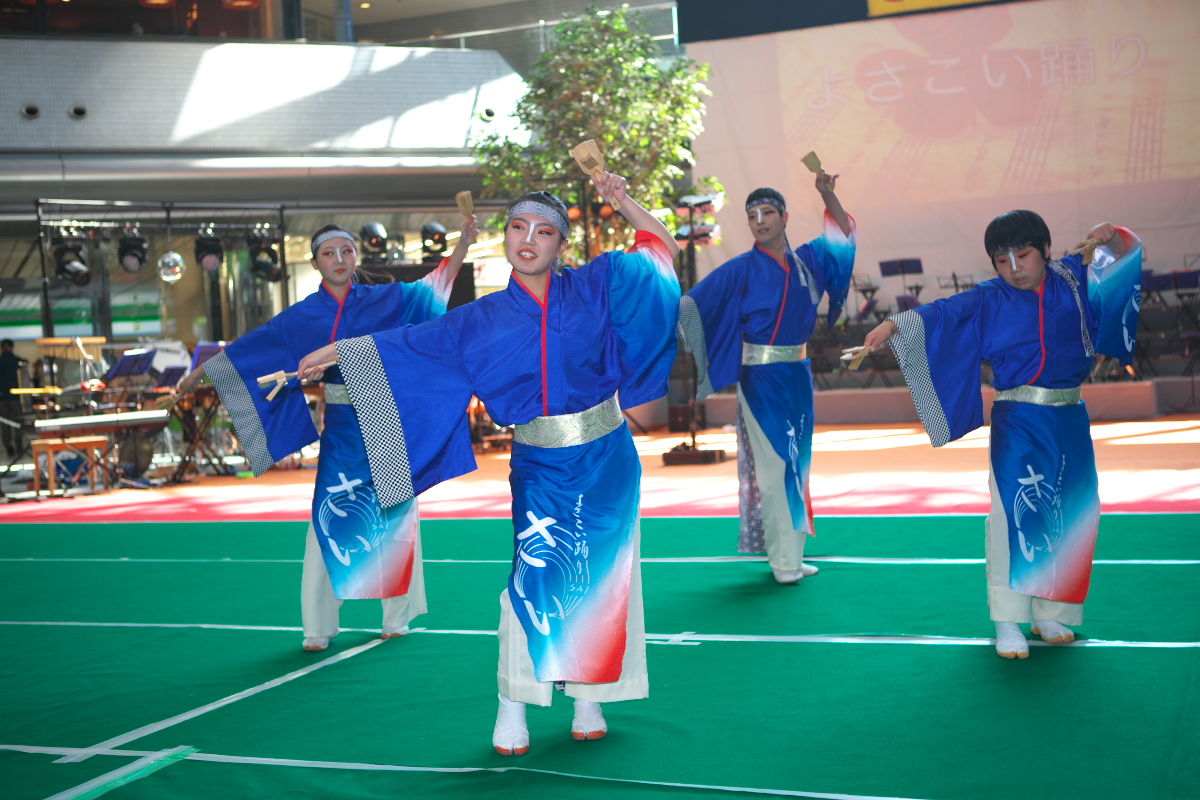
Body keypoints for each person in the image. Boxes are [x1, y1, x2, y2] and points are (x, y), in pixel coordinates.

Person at [296, 172, 680, 755]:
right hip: (540, 466)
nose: (528, 239)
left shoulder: (598, 284)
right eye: (518, 227)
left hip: (608, 458)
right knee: (532, 577)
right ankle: (513, 702)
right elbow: (411, 346)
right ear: (505, 237)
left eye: (544, 231)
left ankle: (589, 698)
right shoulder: (480, 318)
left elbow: (660, 252)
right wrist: (337, 352)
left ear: (562, 244)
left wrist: (623, 200)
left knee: (606, 574)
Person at [179, 215, 477, 652]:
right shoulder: (302, 316)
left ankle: (396, 618)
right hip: (341, 427)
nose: (339, 259)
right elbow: (252, 349)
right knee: (327, 516)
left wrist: (463, 244)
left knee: (398, 515)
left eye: (347, 251)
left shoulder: (387, 298)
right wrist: (198, 374)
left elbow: (436, 284)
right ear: (314, 262)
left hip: (386, 418)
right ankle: (318, 625)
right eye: (328, 253)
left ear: (356, 257)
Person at [860, 210, 1141, 659]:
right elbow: (943, 313)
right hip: (1019, 422)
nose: (1014, 268)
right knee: (1013, 516)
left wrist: (1113, 235)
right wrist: (894, 325)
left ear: (1046, 250)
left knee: (1074, 512)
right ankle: (1008, 622)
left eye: (1023, 255)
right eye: (1002, 260)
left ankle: (1050, 613)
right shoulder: (989, 298)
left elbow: (1125, 257)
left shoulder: (1074, 278)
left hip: (1070, 418)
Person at [678, 172, 855, 583]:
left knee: (798, 464)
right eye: (752, 215)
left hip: (798, 374)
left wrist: (828, 194)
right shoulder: (740, 269)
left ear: (785, 217)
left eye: (768, 212)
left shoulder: (808, 261)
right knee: (775, 468)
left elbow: (843, 236)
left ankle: (792, 555)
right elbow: (690, 305)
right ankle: (783, 563)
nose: (759, 221)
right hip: (760, 379)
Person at [0, 339, 28, 458]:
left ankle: (9, 448)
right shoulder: (17, 361)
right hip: (16, 398)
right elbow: (26, 363)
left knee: (5, 424)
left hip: (2, 399)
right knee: (18, 422)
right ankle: (19, 446)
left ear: (1, 348)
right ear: (12, 347)